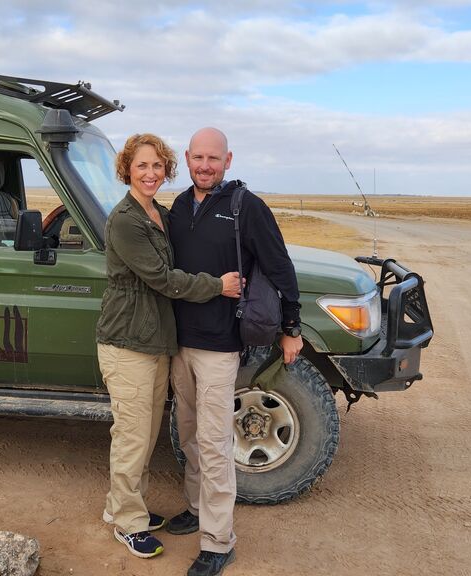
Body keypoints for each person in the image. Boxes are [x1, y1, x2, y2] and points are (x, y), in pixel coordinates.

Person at [95, 133, 242, 560]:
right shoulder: (125, 219)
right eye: (142, 165)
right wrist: (219, 286)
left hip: (154, 342)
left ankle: (126, 506)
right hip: (127, 343)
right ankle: (127, 521)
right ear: (128, 169)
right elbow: (164, 279)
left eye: (157, 166)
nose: (150, 173)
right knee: (132, 436)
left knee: (144, 433)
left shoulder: (158, 212)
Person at [166, 127, 303, 576]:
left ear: (228, 160)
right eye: (198, 157)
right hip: (179, 344)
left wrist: (291, 326)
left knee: (214, 442)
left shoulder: (248, 208)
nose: (205, 165)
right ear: (186, 158)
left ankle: (219, 540)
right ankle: (196, 507)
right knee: (188, 433)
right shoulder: (179, 207)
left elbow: (280, 266)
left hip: (221, 346)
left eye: (214, 158)